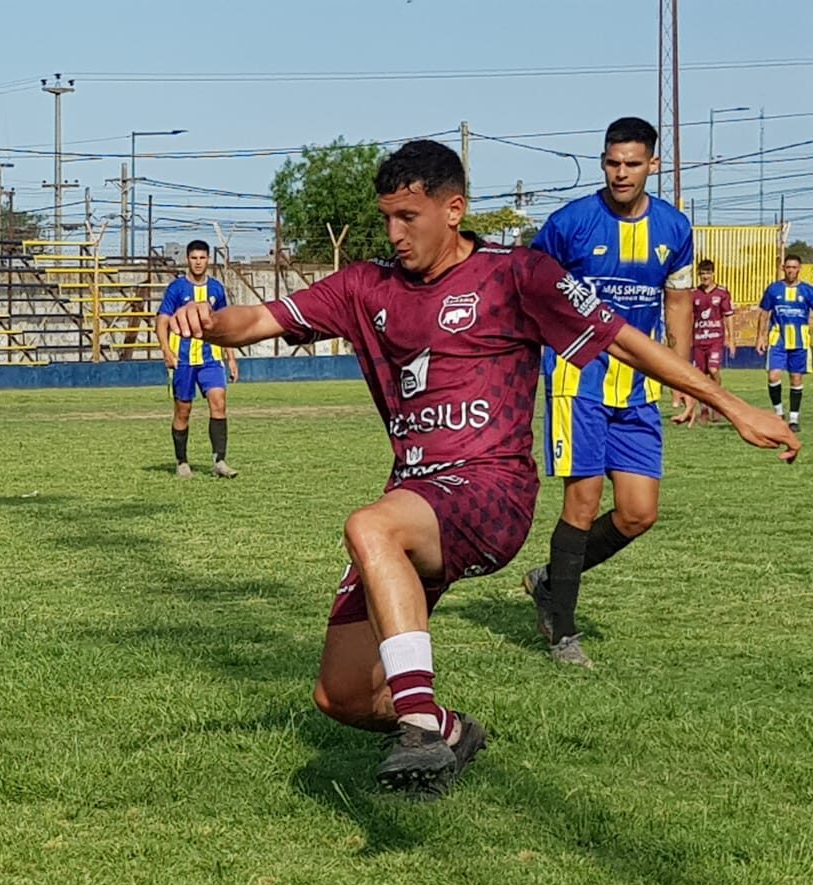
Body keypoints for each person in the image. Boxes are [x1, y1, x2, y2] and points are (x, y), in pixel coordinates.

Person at [166, 140, 795, 799]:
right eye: (386, 217)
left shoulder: (517, 276)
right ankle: (449, 728)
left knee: (369, 527)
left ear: (453, 209)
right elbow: (255, 320)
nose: (394, 232)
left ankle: (416, 722)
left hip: (492, 493)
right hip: (416, 499)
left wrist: (731, 403)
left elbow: (626, 341)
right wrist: (207, 322)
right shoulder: (365, 285)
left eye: (408, 216)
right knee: (341, 695)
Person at [520, 118, 694, 669]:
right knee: (584, 499)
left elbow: (679, 303)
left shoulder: (675, 227)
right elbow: (528, 283)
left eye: (633, 164)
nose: (621, 173)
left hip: (638, 387)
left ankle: (550, 580)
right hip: (578, 379)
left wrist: (681, 375)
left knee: (639, 513)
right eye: (613, 163)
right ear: (603, 162)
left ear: (652, 165)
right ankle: (563, 636)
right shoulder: (571, 222)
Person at [155, 240, 239, 478]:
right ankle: (182, 461)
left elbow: (225, 325)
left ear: (208, 260)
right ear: (187, 259)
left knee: (219, 403)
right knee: (183, 411)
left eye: (202, 258)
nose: (198, 262)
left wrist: (231, 357)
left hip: (211, 357)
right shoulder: (177, 289)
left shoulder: (216, 289)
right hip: (183, 360)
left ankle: (219, 461)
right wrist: (166, 350)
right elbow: (162, 320)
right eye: (194, 258)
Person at [757, 254, 810, 432]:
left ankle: (794, 418)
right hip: (778, 338)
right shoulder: (773, 289)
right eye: (788, 267)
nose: (791, 270)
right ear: (783, 268)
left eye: (794, 267)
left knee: (796, 378)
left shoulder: (807, 291)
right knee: (773, 376)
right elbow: (764, 313)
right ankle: (778, 414)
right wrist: (760, 337)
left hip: (799, 339)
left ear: (799, 268)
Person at [678, 260, 735, 425]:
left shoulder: (722, 293)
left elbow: (728, 315)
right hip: (699, 340)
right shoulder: (694, 294)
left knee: (713, 369)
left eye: (708, 273)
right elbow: (689, 318)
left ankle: (717, 405)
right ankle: (704, 408)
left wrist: (731, 339)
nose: (705, 276)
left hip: (715, 339)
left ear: (713, 274)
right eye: (702, 273)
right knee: (701, 376)